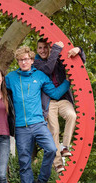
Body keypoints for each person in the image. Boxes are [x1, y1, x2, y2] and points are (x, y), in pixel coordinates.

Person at [5, 46, 70, 183]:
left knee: (51, 149)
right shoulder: (10, 78)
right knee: (24, 163)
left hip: (39, 123)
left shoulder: (40, 76)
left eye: (26, 59)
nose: (24, 62)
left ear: (32, 60)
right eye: (20, 60)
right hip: (20, 127)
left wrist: (68, 81)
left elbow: (54, 94)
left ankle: (41, 181)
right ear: (18, 61)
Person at [34, 38, 86, 173]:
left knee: (72, 115)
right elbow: (48, 69)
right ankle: (57, 163)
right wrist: (56, 50)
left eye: (46, 47)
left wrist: (78, 50)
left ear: (50, 48)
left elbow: (78, 63)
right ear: (37, 50)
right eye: (40, 48)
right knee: (54, 130)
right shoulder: (36, 63)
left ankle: (65, 147)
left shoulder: (59, 59)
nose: (43, 50)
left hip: (63, 99)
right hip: (49, 101)